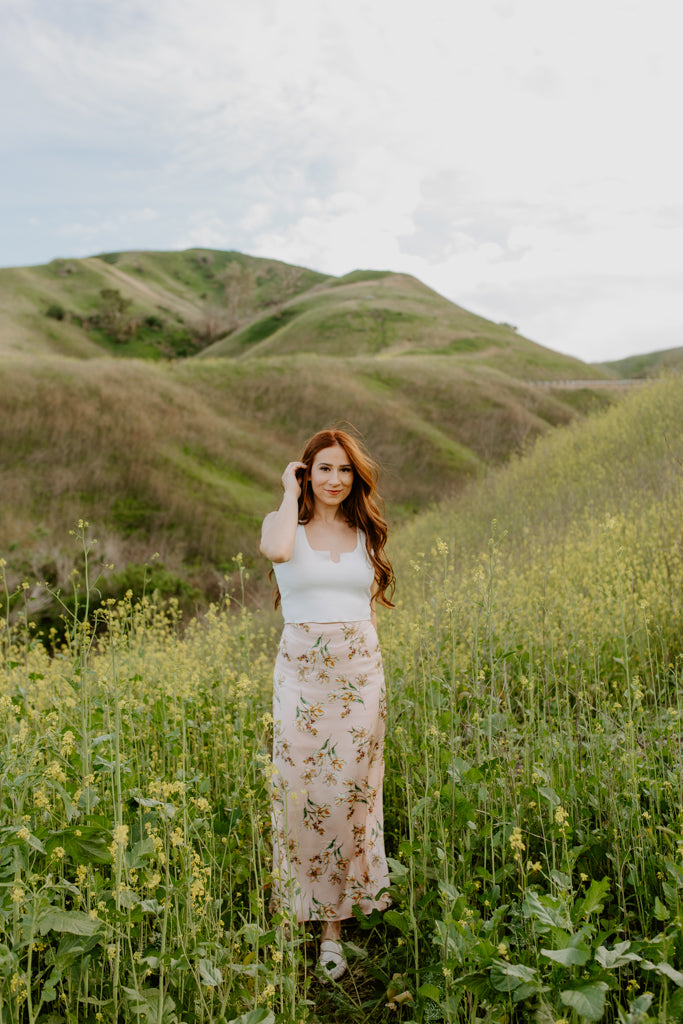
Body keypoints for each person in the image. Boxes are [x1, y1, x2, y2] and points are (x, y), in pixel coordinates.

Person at [260, 428, 395, 982]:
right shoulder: (281, 524)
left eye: (344, 470)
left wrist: (363, 662)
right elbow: (277, 553)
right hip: (302, 676)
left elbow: (363, 605)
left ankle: (332, 929)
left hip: (360, 676)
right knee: (299, 791)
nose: (335, 480)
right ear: (306, 472)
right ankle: (293, 908)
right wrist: (288, 493)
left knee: (348, 794)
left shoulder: (366, 532)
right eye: (324, 469)